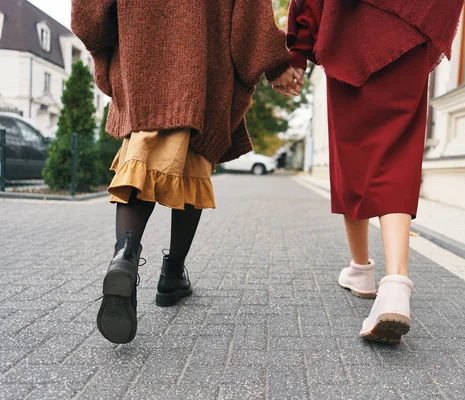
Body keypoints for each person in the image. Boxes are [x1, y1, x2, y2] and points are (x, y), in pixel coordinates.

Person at [71, 0, 301, 344]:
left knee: (142, 158)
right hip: (202, 67)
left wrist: (107, 44)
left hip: (141, 60)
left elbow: (88, 16)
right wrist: (274, 61)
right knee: (192, 165)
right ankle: (173, 273)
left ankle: (125, 256)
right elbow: (250, 11)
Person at [286, 0, 464, 343]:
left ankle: (369, 273)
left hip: (349, 29)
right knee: (397, 153)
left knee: (350, 152)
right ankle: (384, 280)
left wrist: (299, 50)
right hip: (412, 27)